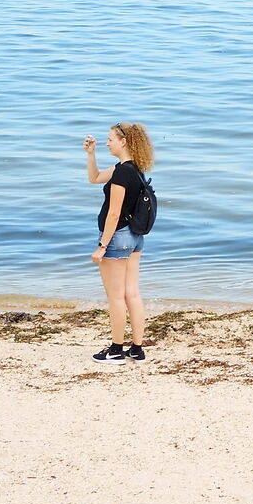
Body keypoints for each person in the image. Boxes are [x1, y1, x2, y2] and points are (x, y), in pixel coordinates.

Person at [83, 122, 157, 364]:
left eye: (110, 139)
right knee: (132, 294)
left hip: (117, 238)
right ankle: (137, 349)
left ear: (123, 141)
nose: (107, 142)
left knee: (116, 297)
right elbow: (94, 178)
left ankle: (116, 349)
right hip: (135, 238)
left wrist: (102, 246)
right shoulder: (132, 169)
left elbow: (114, 213)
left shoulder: (122, 173)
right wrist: (90, 154)